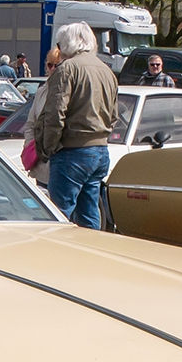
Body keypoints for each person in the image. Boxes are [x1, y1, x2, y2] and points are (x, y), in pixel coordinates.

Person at [34, 21, 117, 229]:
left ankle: (55, 258)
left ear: (68, 45)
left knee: (58, 215)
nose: (59, 51)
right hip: (100, 150)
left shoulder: (67, 69)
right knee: (89, 213)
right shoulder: (106, 71)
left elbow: (55, 114)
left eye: (60, 46)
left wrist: (48, 147)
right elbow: (114, 115)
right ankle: (89, 256)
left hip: (72, 151)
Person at [20, 47, 62, 184]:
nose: (53, 69)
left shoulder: (70, 91)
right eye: (50, 65)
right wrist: (30, 146)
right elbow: (31, 124)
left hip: (62, 167)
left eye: (58, 65)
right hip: (42, 168)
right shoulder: (42, 91)